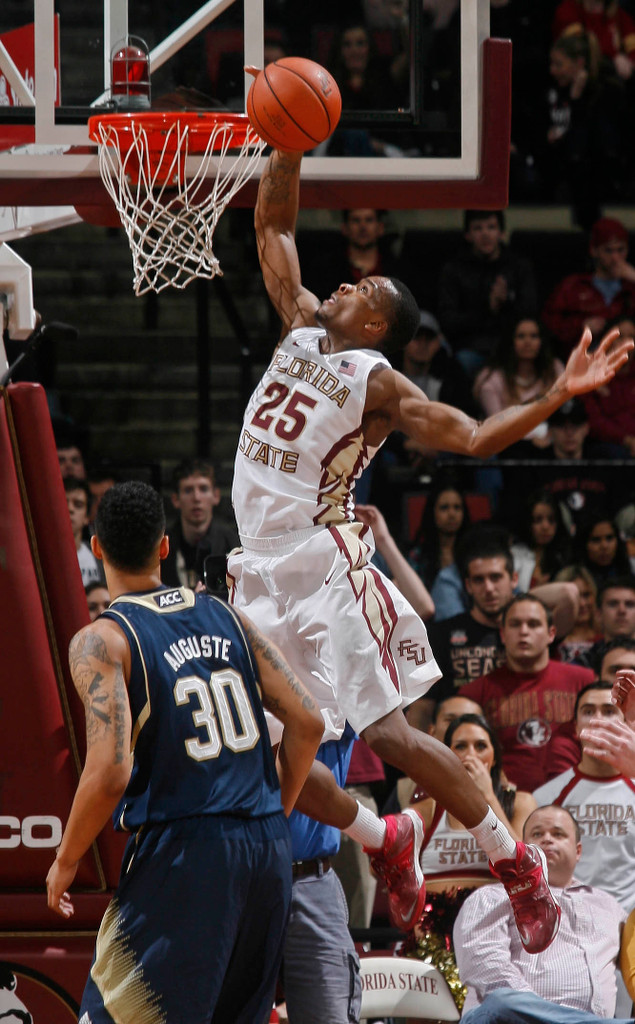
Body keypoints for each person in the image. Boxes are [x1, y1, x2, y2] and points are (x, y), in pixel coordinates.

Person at [228, 147, 630, 954]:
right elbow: (272, 223)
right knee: (268, 755)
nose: (342, 284)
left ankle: (514, 864)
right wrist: (288, 143)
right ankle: (386, 839)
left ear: (374, 324)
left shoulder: (379, 382)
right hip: (258, 566)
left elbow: (476, 435)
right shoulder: (301, 324)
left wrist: (555, 395)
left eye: (361, 290)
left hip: (324, 565)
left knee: (388, 737)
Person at [46, 481, 324, 1024]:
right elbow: (309, 722)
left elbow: (109, 771)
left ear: (96, 546)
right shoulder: (229, 617)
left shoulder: (104, 639)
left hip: (185, 854)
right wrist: (273, 813)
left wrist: (65, 859)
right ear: (165, 547)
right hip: (266, 849)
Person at [403, 714, 537, 1013]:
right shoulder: (427, 807)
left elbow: (526, 868)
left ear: (495, 757)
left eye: (481, 746)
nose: (471, 755)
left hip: (496, 938)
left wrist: (487, 796)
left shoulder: (520, 802)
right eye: (460, 746)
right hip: (432, 939)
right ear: (446, 754)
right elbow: (393, 870)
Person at [454, 804, 632, 1024]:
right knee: (502, 1001)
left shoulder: (610, 907)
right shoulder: (491, 896)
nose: (547, 839)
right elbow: (486, 968)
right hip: (510, 1018)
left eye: (558, 834)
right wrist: (540, 1014)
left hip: (594, 1020)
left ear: (578, 851)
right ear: (523, 846)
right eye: (537, 834)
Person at [460, 593, 596, 791]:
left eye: (533, 624)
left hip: (576, 795)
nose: (524, 632)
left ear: (551, 633)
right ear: (503, 635)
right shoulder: (476, 691)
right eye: (515, 624)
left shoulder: (584, 680)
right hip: (505, 802)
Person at [425, 530, 579, 699]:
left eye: (496, 577)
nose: (489, 588)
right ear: (468, 586)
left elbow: (568, 594)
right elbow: (425, 704)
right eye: (479, 580)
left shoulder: (529, 629)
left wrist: (517, 605)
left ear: (514, 579)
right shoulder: (443, 633)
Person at [533, 682, 635, 913]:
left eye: (609, 711)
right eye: (588, 711)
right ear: (577, 727)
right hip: (571, 920)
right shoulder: (546, 798)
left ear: (626, 723)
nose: (598, 719)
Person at [437, 209, 538, 378]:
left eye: (491, 227)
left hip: (513, 350)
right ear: (468, 235)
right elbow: (448, 321)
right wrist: (487, 307)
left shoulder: (518, 267)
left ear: (502, 233)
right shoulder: (454, 270)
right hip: (470, 349)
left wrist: (506, 302)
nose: (485, 234)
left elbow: (531, 315)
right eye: (478, 228)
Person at [542, 216, 635, 356]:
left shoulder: (631, 286)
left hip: (627, 369)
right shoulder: (573, 286)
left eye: (620, 250)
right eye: (608, 251)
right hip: (582, 362)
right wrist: (581, 326)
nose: (616, 258)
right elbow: (548, 326)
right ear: (594, 250)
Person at [161, 457, 239, 589]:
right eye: (188, 490)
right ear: (175, 499)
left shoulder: (232, 543)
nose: (196, 498)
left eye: (203, 489)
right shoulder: (162, 546)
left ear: (216, 496)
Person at [407, 471, 471, 598]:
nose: (452, 514)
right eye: (444, 508)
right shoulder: (418, 557)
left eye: (457, 507)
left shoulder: (474, 553)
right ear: (432, 513)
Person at [582, 314, 635, 455]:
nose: (626, 343)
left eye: (632, 337)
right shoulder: (591, 373)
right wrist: (627, 440)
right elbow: (594, 422)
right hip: (607, 445)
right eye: (620, 337)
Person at [510, 488, 572, 589]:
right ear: (528, 523)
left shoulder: (564, 556)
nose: (545, 527)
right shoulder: (514, 555)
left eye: (551, 520)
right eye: (538, 520)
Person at [572, 576, 635, 670]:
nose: (622, 610)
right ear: (598, 614)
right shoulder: (584, 662)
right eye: (613, 604)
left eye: (629, 604)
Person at [554, 564, 600, 663]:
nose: (582, 603)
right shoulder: (550, 640)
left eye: (586, 595)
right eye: (576, 597)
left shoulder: (605, 638)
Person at [64, 476, 105, 587]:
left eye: (78, 505)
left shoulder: (101, 557)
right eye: (63, 503)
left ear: (87, 517)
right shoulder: (40, 557)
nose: (70, 509)